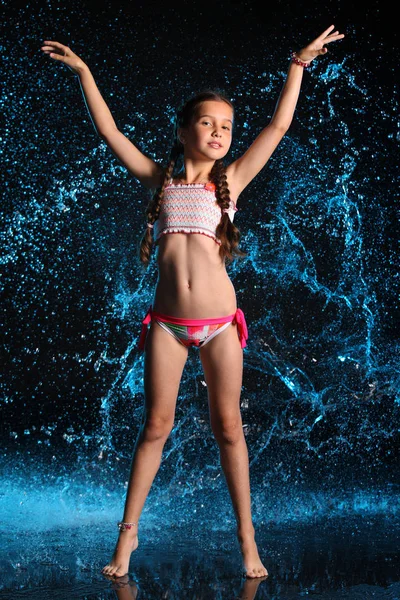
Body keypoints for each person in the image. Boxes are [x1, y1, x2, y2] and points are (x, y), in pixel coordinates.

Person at [40, 24, 344, 580]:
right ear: (183, 131)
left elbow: (278, 125)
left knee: (229, 427)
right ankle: (126, 541)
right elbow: (109, 131)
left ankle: (248, 543)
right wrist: (85, 73)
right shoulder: (159, 181)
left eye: (226, 125)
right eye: (207, 122)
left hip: (222, 325)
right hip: (168, 325)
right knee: (155, 425)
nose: (219, 132)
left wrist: (298, 65)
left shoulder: (231, 182)